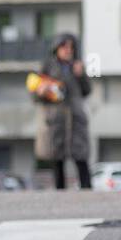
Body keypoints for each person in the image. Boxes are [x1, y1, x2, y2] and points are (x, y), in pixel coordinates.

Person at [34, 33, 93, 190]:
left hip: (76, 118)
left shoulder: (77, 66)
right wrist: (41, 91)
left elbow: (87, 90)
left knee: (81, 158)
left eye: (71, 47)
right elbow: (35, 92)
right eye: (64, 47)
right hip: (56, 120)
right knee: (57, 159)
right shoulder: (47, 66)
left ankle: (87, 191)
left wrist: (81, 76)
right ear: (56, 48)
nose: (68, 50)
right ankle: (60, 193)